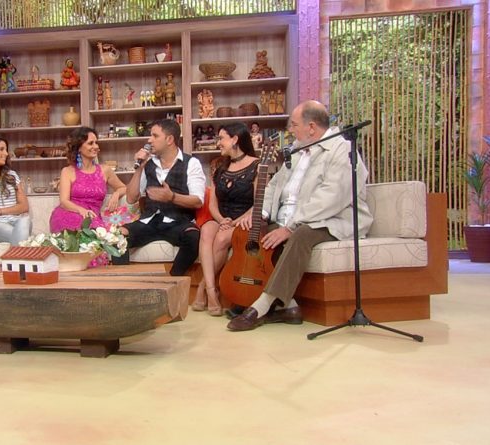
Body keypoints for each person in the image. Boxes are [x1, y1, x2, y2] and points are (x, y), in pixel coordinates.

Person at [227, 100, 373, 331]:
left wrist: (290, 226)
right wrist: (262, 213)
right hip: (291, 219)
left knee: (300, 235)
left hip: (332, 219)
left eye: (294, 125)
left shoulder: (342, 150)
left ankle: (261, 306)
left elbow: (331, 198)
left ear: (311, 127)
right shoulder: (296, 150)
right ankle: (289, 306)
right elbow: (274, 185)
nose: (290, 130)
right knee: (257, 235)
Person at [117, 119, 206, 276]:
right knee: (116, 236)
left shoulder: (191, 163)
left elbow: (198, 201)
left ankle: (173, 280)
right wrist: (139, 167)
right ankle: (124, 282)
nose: (149, 140)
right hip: (150, 221)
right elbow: (131, 198)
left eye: (155, 136)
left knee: (193, 237)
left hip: (178, 222)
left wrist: (172, 197)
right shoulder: (148, 164)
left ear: (169, 139)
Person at [192, 123, 258, 316]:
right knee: (206, 231)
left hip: (244, 220)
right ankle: (212, 290)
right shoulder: (220, 168)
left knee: (221, 239)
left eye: (221, 138)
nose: (218, 143)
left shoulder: (257, 166)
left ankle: (204, 288)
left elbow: (260, 203)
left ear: (235, 139)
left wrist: (235, 222)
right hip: (222, 218)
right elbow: (213, 204)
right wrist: (221, 220)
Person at [49, 127, 127, 233]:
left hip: (92, 217)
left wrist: (116, 194)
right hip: (69, 213)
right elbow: (64, 202)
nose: (96, 146)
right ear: (79, 147)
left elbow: (123, 187)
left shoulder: (105, 170)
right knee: (77, 233)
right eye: (91, 143)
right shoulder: (67, 171)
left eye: (96, 143)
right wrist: (81, 210)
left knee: (94, 234)